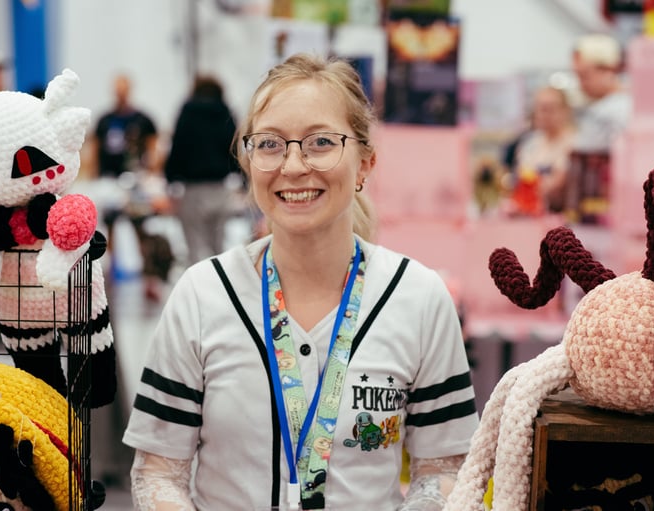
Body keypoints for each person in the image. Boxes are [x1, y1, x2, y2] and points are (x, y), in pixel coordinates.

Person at [122, 53, 479, 511]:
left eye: (320, 142)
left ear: (365, 163)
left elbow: (445, 469)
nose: (292, 166)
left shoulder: (418, 297)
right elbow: (157, 472)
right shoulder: (202, 294)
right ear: (248, 162)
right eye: (269, 144)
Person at [89, 73, 172, 301]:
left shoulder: (142, 119)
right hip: (110, 181)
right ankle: (110, 273)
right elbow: (95, 147)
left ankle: (149, 277)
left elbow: (154, 145)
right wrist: (94, 173)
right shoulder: (105, 119)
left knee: (140, 228)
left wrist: (153, 171)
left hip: (135, 180)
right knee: (110, 228)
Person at [163, 75, 242, 265]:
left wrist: (170, 178)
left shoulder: (186, 113)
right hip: (220, 187)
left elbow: (177, 149)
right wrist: (242, 179)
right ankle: (221, 288)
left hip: (193, 190)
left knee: (195, 248)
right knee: (219, 246)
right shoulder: (225, 113)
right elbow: (234, 150)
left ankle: (197, 290)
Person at [565, 33, 632, 224]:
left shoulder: (618, 108)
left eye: (585, 76)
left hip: (604, 207)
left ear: (608, 71)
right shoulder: (605, 106)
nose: (581, 83)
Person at [511, 85, 576, 215]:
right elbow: (521, 183)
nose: (544, 114)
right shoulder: (529, 145)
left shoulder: (575, 145)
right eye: (540, 109)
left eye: (550, 109)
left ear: (565, 111)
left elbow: (556, 185)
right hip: (533, 214)